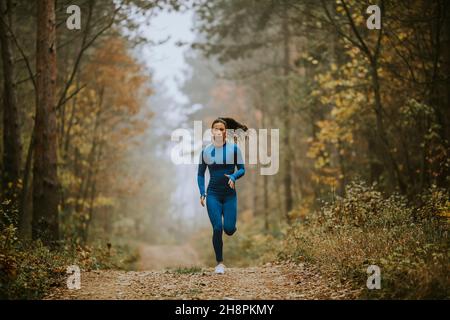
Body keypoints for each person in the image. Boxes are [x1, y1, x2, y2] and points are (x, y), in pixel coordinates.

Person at [197, 117, 247, 274]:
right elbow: (200, 174)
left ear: (226, 132)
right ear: (211, 132)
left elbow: (242, 169)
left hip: (230, 195)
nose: (218, 132)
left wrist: (233, 176)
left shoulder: (234, 149)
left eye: (221, 129)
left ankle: (231, 226)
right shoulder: (205, 151)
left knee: (229, 229)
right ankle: (219, 263)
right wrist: (202, 192)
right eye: (215, 129)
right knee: (217, 227)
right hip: (213, 194)